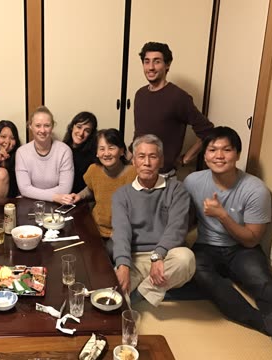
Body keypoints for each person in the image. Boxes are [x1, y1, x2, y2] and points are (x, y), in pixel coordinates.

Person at [184, 126, 272, 338]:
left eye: (226, 150)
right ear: (205, 155)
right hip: (206, 246)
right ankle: (264, 324)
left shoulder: (255, 190)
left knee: (263, 284)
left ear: (237, 154)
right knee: (199, 274)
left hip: (242, 248)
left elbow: (252, 240)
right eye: (212, 150)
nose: (219, 156)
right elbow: (187, 220)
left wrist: (222, 215)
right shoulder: (193, 181)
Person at [111, 134, 195, 307]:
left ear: (161, 161)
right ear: (133, 161)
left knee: (186, 259)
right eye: (141, 157)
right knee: (113, 297)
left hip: (166, 257)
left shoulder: (176, 189)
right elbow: (121, 232)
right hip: (134, 258)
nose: (147, 163)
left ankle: (140, 294)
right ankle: (146, 290)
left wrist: (158, 255)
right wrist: (123, 265)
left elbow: (177, 228)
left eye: (153, 156)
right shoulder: (122, 194)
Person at [133, 42, 214, 175]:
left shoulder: (178, 97)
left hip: (163, 175)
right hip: (138, 170)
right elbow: (139, 131)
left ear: (167, 65)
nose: (151, 67)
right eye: (147, 62)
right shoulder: (140, 94)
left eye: (157, 61)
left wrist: (185, 158)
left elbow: (207, 131)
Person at [60, 128, 136, 238]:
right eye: (101, 149)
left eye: (111, 148)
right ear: (96, 153)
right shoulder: (94, 170)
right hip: (96, 227)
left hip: (122, 231)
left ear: (122, 151)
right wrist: (79, 196)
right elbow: (91, 189)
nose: (106, 153)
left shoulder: (133, 173)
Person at [15, 106, 74, 203]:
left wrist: (33, 193)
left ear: (52, 126)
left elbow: (65, 189)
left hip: (57, 204)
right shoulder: (22, 152)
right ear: (30, 126)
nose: (42, 130)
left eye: (47, 125)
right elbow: (24, 189)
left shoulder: (64, 151)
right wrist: (54, 197)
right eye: (38, 126)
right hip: (31, 203)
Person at [62, 111, 98, 193]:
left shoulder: (93, 154)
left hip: (82, 198)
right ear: (72, 127)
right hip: (61, 195)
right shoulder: (62, 148)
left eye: (87, 131)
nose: (81, 133)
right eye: (79, 127)